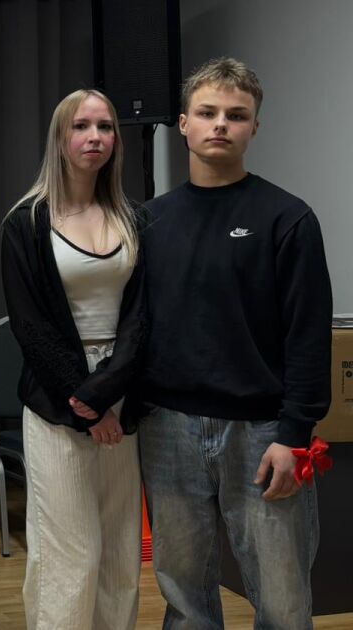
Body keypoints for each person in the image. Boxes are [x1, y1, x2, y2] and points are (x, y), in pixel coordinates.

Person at [138, 58, 331, 630]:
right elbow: (137, 329)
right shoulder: (150, 222)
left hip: (263, 433)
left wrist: (294, 434)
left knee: (283, 597)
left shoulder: (288, 218)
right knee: (185, 596)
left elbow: (308, 333)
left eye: (236, 115)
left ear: (254, 128)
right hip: (167, 428)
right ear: (184, 124)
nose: (220, 124)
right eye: (207, 112)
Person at [0, 89, 147, 630]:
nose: (95, 137)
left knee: (119, 555)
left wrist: (108, 395)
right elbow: (31, 328)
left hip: (121, 395)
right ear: (60, 139)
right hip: (57, 401)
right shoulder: (25, 222)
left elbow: (140, 318)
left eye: (105, 127)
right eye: (81, 126)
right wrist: (87, 402)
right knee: (72, 555)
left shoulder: (133, 218)